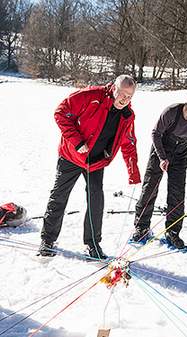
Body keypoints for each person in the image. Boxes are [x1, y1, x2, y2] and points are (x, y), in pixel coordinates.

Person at [38, 74, 141, 259]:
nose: (124, 99)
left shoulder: (127, 115)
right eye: (122, 94)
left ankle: (92, 243)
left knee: (96, 200)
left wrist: (133, 171)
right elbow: (60, 112)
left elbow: (128, 143)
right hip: (71, 155)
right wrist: (77, 142)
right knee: (59, 196)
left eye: (129, 96)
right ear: (113, 88)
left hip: (96, 161)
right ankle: (47, 240)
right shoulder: (92, 96)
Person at [131, 86, 187, 249]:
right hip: (161, 148)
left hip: (180, 153)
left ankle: (173, 232)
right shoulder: (172, 112)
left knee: (177, 193)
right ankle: (142, 227)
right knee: (150, 188)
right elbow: (155, 133)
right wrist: (162, 157)